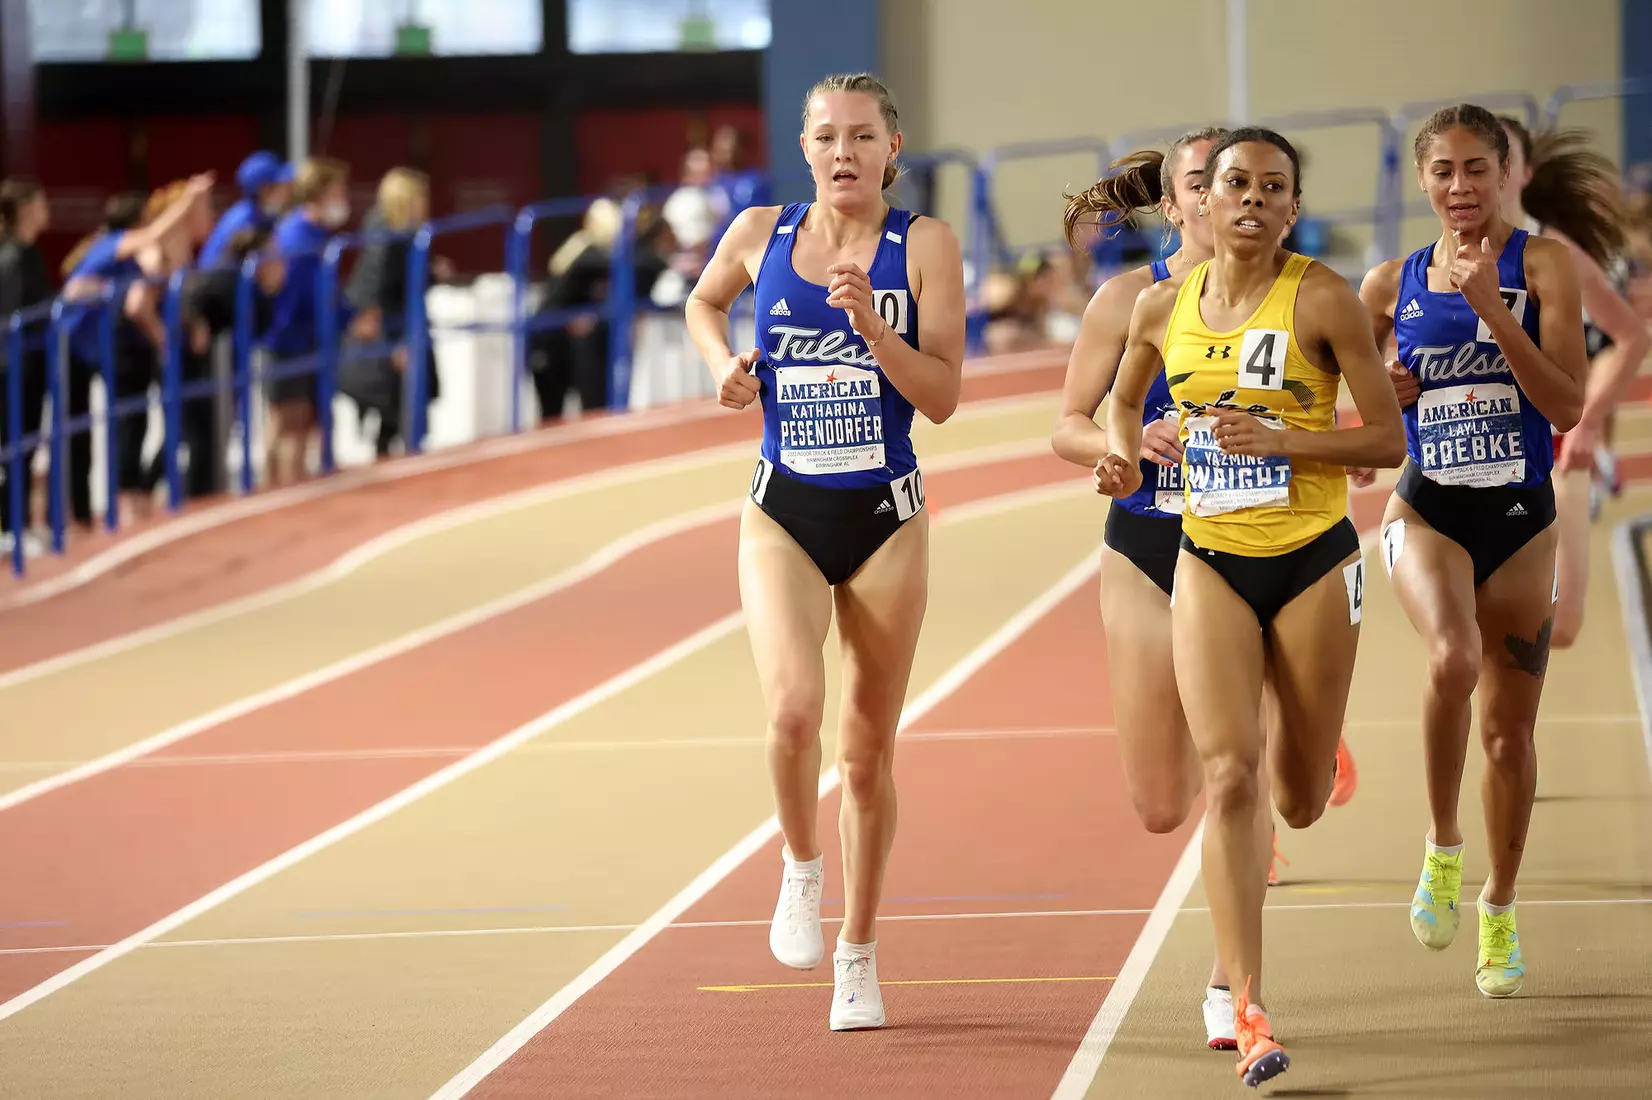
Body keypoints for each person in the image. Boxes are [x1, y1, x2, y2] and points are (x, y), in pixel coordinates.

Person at [1096, 127, 1405, 1085]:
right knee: (1226, 776)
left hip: (1311, 558)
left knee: (1297, 800)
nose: (1253, 200)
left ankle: (1312, 730)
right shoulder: (1158, 305)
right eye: (1237, 182)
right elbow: (1120, 397)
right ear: (1202, 198)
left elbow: (1386, 442)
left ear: (1292, 208)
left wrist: (1283, 446)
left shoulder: (1322, 298)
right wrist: (1123, 448)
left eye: (1275, 187)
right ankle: (1249, 1002)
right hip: (1210, 560)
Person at [683, 71, 965, 1032]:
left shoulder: (923, 246)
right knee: (795, 710)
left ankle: (859, 950)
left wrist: (873, 326)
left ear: (894, 146)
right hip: (784, 511)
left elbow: (941, 395)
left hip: (886, 516)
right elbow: (701, 305)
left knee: (867, 749)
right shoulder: (760, 234)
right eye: (825, 137)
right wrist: (723, 366)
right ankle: (801, 870)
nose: (842, 152)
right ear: (803, 148)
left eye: (860, 136)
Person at [1359, 104, 1586, 1000]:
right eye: (1443, 171)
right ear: (1422, 181)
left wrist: (1496, 312)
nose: (1460, 188)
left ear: (1504, 174)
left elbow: (1565, 405)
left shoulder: (1545, 266)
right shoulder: (1391, 283)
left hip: (1523, 512)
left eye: (1476, 170)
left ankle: (1499, 904)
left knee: (1508, 731)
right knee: (1451, 658)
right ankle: (1444, 849)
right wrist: (1386, 386)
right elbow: (1364, 404)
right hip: (1430, 507)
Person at [1498, 116, 1645, 647]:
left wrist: (1588, 424)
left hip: (1556, 443)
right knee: (1478, 621)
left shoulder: (1556, 251)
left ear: (1525, 173)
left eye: (1504, 156)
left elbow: (1630, 338)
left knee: (1560, 625)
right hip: (1479, 447)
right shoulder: (1440, 260)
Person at [265, 156, 352, 486]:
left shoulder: (318, 235)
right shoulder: (297, 236)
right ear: (319, 193)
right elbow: (303, 295)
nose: (342, 197)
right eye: (337, 190)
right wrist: (345, 320)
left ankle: (294, 483)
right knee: (288, 419)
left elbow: (327, 292)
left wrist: (349, 317)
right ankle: (277, 491)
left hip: (312, 340)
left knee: (307, 420)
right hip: (289, 341)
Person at [0, 180, 53, 547]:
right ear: (25, 210)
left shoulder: (27, 253)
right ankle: (10, 529)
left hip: (29, 364)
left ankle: (18, 526)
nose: (47, 207)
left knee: (26, 446)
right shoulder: (14, 256)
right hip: (15, 366)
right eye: (40, 201)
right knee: (15, 446)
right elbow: (15, 315)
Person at [198, 152, 294, 271]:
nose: (287, 191)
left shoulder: (263, 214)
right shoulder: (244, 221)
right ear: (264, 189)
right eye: (282, 186)